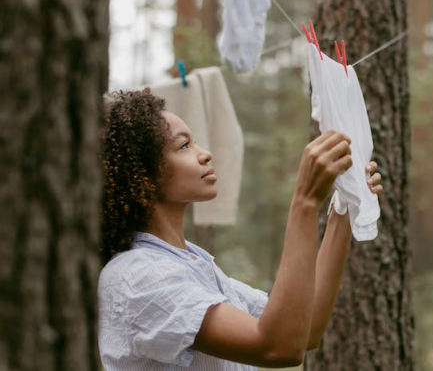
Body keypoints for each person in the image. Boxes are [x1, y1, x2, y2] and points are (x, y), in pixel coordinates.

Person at [97, 89, 383, 370]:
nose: (205, 154)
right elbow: (278, 347)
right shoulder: (136, 277)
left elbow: (305, 331)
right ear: (141, 173)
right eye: (184, 146)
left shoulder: (193, 263)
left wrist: (344, 205)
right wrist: (305, 203)